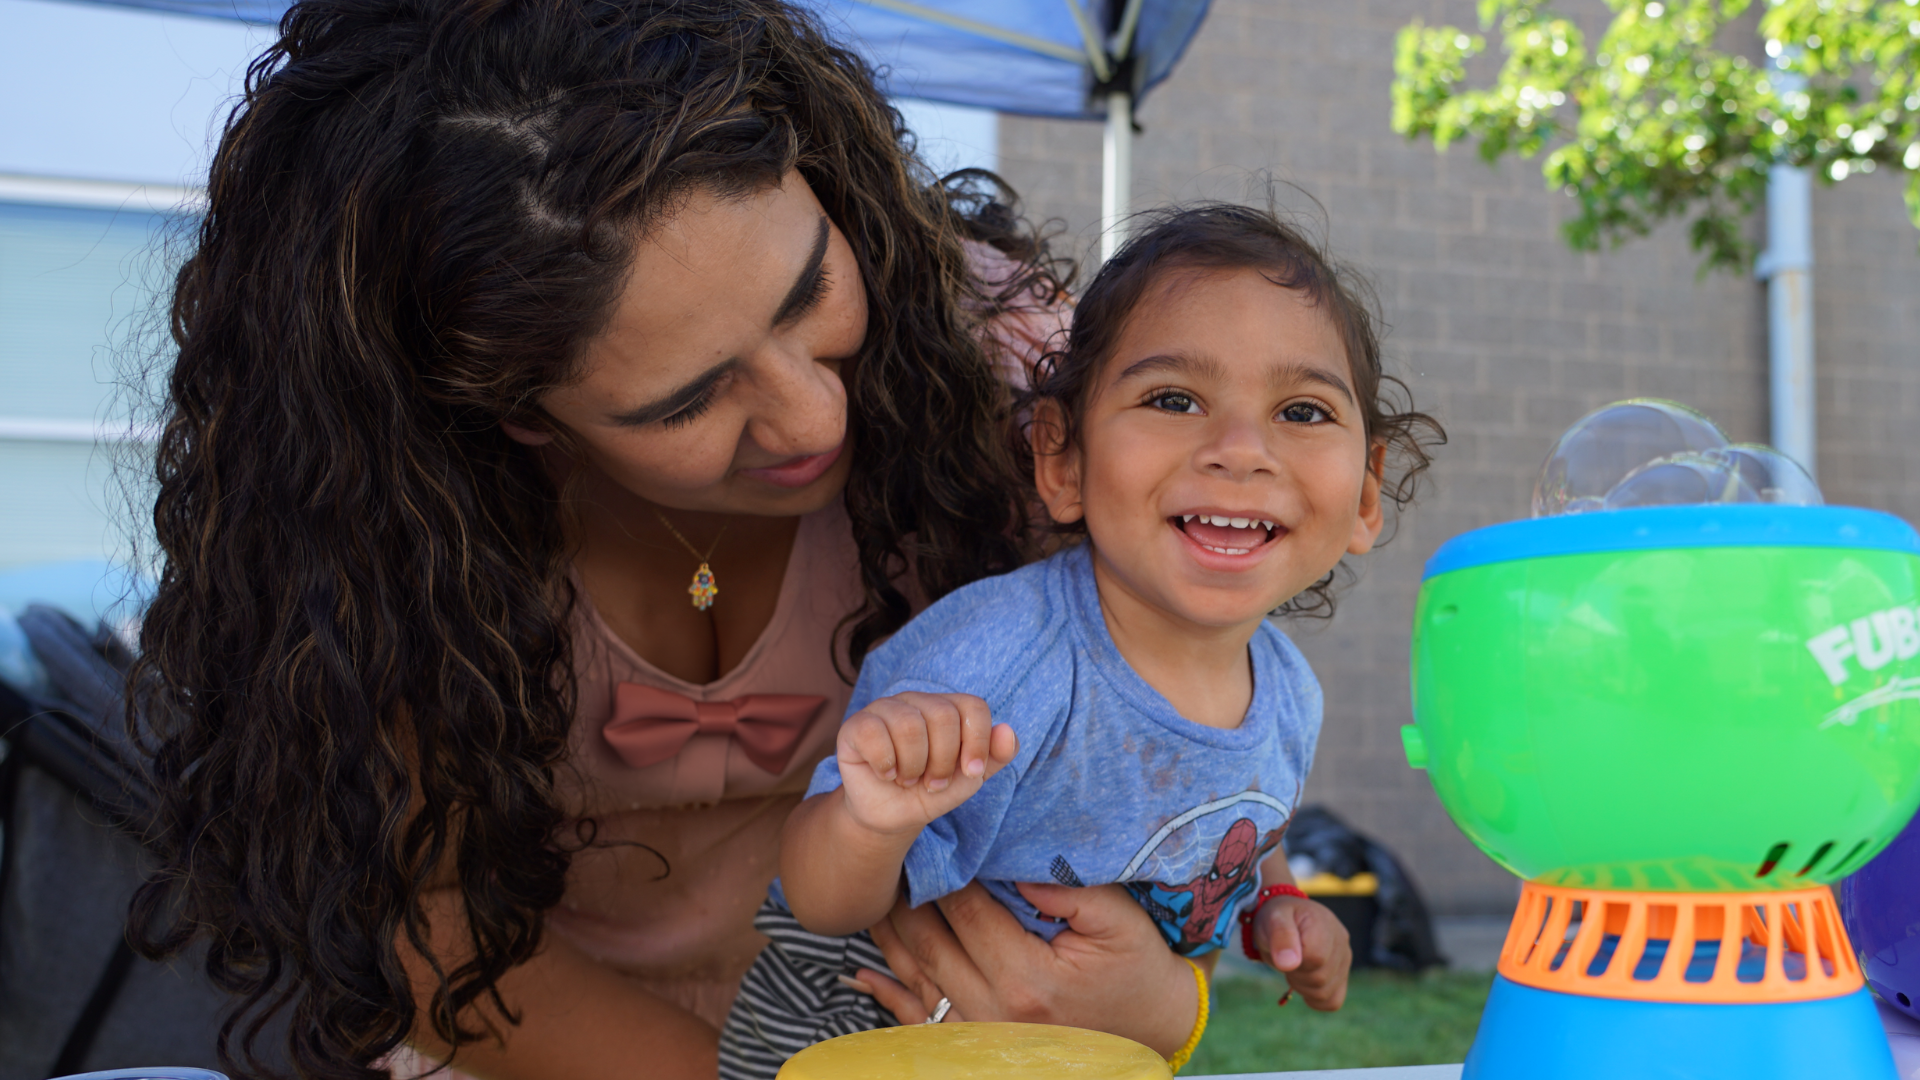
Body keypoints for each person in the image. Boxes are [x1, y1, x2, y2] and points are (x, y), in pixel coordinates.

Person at [122, 2, 1229, 1078]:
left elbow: (1163, 731)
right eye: (682, 403)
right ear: (511, 411)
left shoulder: (1007, 374)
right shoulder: (384, 529)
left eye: (809, 295)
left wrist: (1165, 998)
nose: (816, 420)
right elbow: (432, 932)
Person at [719, 203, 1445, 1078]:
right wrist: (870, 820)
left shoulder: (1289, 691)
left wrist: (1279, 905)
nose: (1242, 450)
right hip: (859, 1034)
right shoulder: (998, 659)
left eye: (1302, 410)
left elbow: (1238, 818)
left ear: (1366, 495)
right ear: (1062, 459)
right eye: (1173, 398)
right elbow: (818, 893)